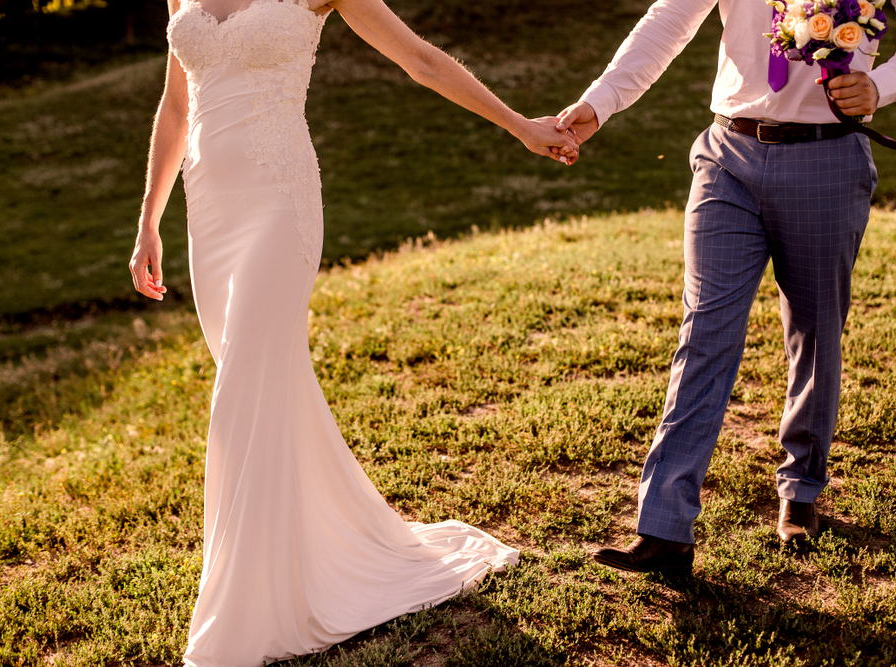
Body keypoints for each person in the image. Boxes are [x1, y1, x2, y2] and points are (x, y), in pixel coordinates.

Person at [127, 0, 578, 663]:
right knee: (263, 394)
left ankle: (233, 624)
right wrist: (148, 220)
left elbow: (419, 59)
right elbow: (176, 106)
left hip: (278, 203)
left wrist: (518, 125)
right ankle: (303, 561)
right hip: (210, 216)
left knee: (239, 402)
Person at [555, 0, 896, 575]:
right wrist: (600, 103)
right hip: (729, 156)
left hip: (828, 158)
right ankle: (665, 529)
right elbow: (668, 21)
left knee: (815, 332)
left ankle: (801, 489)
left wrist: (881, 84)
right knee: (704, 332)